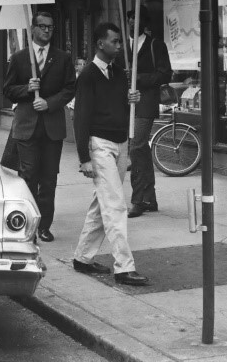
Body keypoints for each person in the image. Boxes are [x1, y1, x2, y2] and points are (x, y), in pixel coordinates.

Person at [72, 22, 148, 286]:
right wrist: (84, 158)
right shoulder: (88, 76)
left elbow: (119, 107)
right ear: (100, 44)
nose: (119, 45)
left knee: (101, 203)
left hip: (119, 142)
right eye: (114, 41)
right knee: (115, 204)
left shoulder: (119, 73)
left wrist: (131, 100)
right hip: (100, 145)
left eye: (119, 41)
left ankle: (82, 257)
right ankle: (124, 267)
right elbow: (80, 117)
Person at [3, 11, 75, 242]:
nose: (47, 31)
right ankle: (27, 223)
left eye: (50, 27)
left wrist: (50, 103)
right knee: (28, 176)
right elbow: (7, 89)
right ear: (32, 29)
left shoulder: (62, 58)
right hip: (26, 126)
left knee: (49, 178)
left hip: (51, 127)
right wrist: (26, 88)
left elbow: (70, 89)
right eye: (42, 26)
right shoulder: (19, 58)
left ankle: (44, 225)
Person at [118, 5, 172, 218]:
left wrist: (136, 77)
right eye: (130, 17)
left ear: (144, 23)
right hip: (124, 104)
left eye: (137, 17)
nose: (132, 21)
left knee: (137, 146)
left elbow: (165, 74)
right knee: (140, 150)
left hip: (145, 103)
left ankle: (138, 199)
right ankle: (150, 198)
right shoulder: (121, 46)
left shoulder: (155, 46)